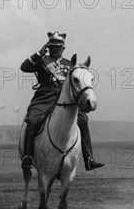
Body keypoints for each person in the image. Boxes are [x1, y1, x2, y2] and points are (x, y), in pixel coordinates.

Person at [20, 31, 104, 171]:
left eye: (58, 47)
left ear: (63, 48)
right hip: (44, 97)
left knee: (83, 120)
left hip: (64, 99)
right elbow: (24, 67)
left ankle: (89, 158)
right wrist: (39, 54)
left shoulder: (69, 64)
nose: (55, 49)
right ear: (48, 46)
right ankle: (28, 156)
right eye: (52, 46)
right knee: (33, 119)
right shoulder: (41, 60)